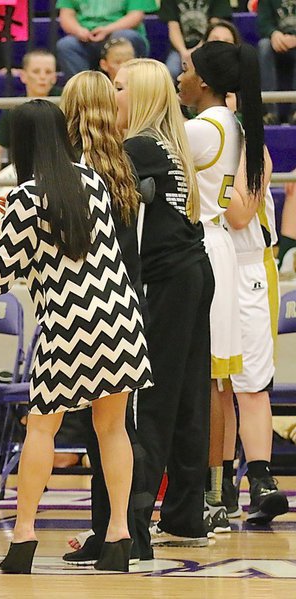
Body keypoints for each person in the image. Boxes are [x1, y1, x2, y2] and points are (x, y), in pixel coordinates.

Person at [0, 99, 153, 574]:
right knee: (113, 429)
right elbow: (58, 257)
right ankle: (119, 535)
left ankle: (23, 536)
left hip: (68, 321)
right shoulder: (92, 181)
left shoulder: (25, 196)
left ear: (22, 144)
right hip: (119, 315)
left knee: (42, 428)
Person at [190, 41, 292, 524]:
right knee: (218, 380)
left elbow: (239, 214)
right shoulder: (210, 136)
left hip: (251, 267)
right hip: (213, 261)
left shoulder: (251, 147)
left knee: (250, 381)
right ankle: (221, 485)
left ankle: (263, 479)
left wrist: (215, 174)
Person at [114, 59, 213, 556]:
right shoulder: (170, 146)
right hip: (195, 272)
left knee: (150, 401)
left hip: (167, 280)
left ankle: (131, 525)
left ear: (141, 96)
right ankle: (186, 516)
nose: (113, 95)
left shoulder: (137, 148)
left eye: (119, 87)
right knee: (189, 398)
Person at [58, 70, 147, 565]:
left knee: (82, 431)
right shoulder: (122, 161)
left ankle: (111, 530)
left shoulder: (69, 168)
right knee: (115, 430)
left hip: (78, 305)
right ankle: (119, 530)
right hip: (125, 301)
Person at [178, 41, 253, 536]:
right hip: (216, 244)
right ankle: (214, 494)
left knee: (203, 381)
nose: (179, 76)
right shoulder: (229, 122)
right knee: (214, 382)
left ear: (203, 80)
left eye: (185, 68)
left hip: (200, 245)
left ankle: (205, 499)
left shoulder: (202, 128)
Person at [0, 48, 62, 177]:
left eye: (48, 72)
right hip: (24, 174)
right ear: (23, 76)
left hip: (60, 171)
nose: (42, 77)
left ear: (54, 77)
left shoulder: (66, 101)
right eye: (36, 71)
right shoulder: (14, 108)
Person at [55, 0, 157, 80]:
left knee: (123, 38)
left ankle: (126, 87)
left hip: (119, 32)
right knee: (66, 45)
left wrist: (107, 30)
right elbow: (66, 15)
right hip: (86, 38)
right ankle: (85, 92)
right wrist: (78, 30)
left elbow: (135, 15)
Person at [158, 0, 233, 79]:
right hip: (180, 50)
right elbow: (173, 28)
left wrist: (196, 51)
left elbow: (213, 30)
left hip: (209, 46)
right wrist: (184, 53)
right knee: (172, 71)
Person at [257, 0, 296, 124]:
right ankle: (270, 113)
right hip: (275, 43)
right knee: (264, 45)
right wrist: (273, 33)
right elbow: (263, 23)